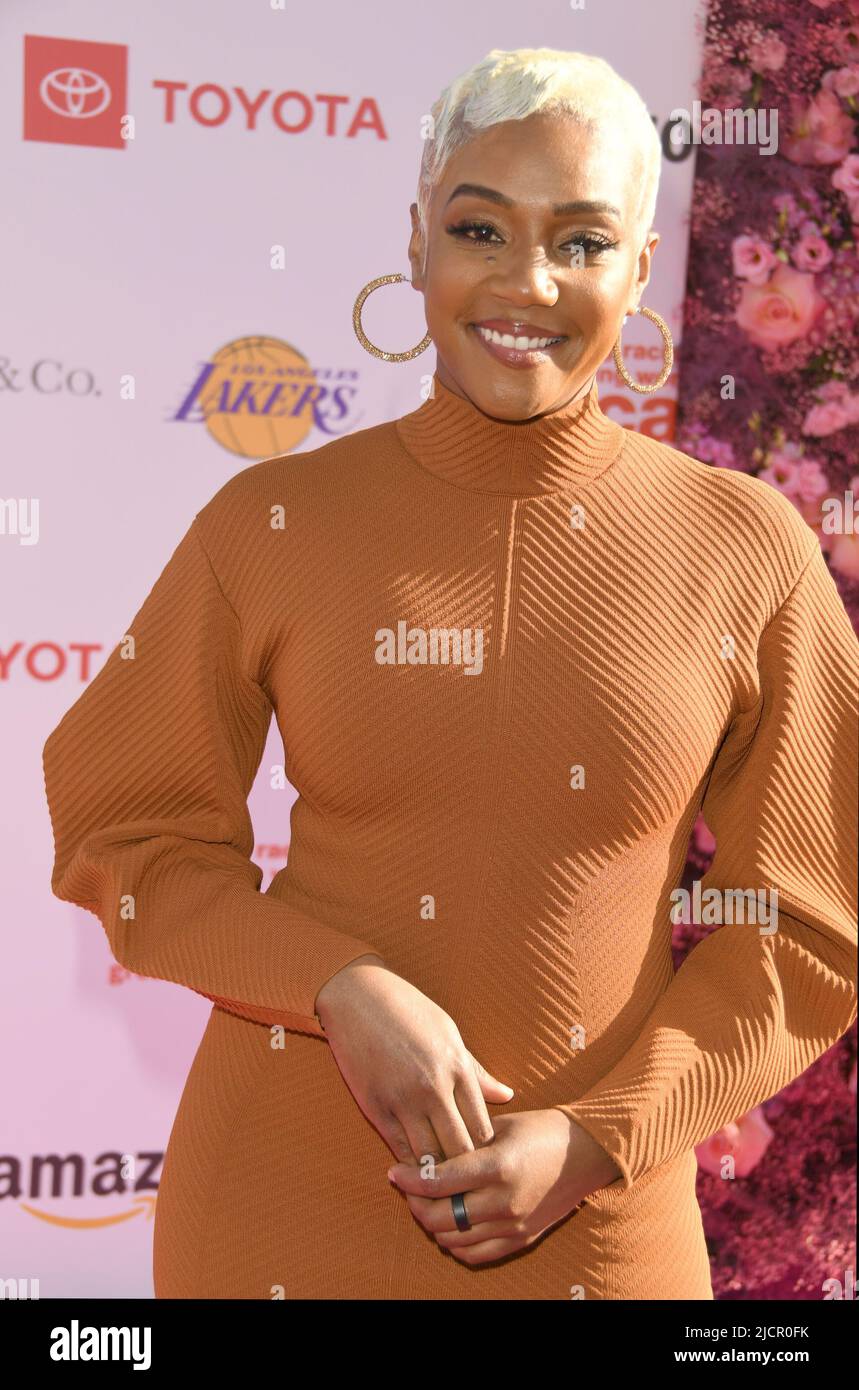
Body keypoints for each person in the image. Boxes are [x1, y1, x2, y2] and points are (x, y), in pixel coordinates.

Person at [42, 47, 858, 1301]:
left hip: (601, 1224)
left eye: (581, 241)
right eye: (480, 226)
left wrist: (600, 1136)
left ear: (639, 269)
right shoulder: (271, 520)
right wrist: (336, 984)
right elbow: (124, 837)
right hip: (277, 1201)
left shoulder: (744, 547)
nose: (527, 282)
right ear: (418, 239)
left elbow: (809, 925)